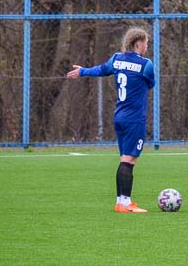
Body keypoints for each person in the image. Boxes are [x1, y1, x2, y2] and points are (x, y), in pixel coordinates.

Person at [66, 27, 155, 213]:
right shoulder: (146, 65)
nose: (147, 46)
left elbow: (102, 69)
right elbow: (150, 83)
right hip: (134, 119)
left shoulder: (117, 59)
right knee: (129, 161)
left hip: (119, 117)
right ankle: (126, 203)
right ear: (138, 43)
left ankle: (120, 202)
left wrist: (83, 72)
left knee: (124, 159)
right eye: (146, 43)